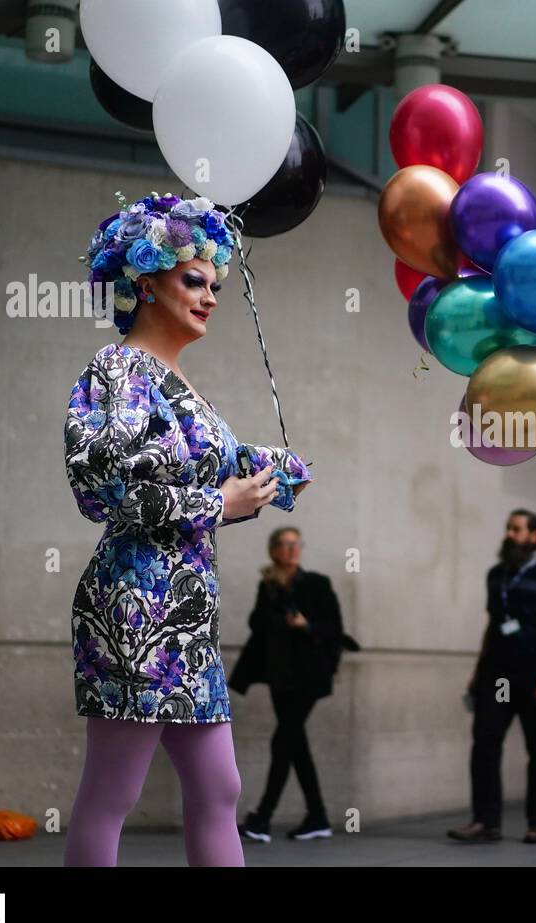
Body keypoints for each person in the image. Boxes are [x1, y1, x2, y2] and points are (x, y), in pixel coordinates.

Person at [62, 193, 314, 867]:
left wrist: (269, 471)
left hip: (188, 614)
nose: (209, 296)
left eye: (216, 284)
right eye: (192, 280)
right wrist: (217, 504)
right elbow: (101, 483)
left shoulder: (182, 385)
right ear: (145, 283)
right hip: (134, 607)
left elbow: (213, 471)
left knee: (219, 785)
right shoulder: (119, 369)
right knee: (114, 789)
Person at [448, 510, 536, 844]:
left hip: (533, 676)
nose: (510, 534)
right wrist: (477, 671)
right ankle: (485, 822)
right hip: (496, 676)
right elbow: (493, 625)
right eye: (508, 528)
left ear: (534, 536)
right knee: (485, 744)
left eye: (517, 529)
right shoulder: (495, 575)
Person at [230, 527, 349, 842]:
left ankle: (261, 819)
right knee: (296, 745)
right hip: (280, 677)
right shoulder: (267, 585)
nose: (292, 550)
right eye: (285, 545)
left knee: (282, 742)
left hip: (309, 676)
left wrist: (305, 624)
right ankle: (318, 816)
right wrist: (271, 592)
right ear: (274, 551)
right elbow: (256, 625)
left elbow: (334, 628)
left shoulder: (317, 584)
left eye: (296, 544)